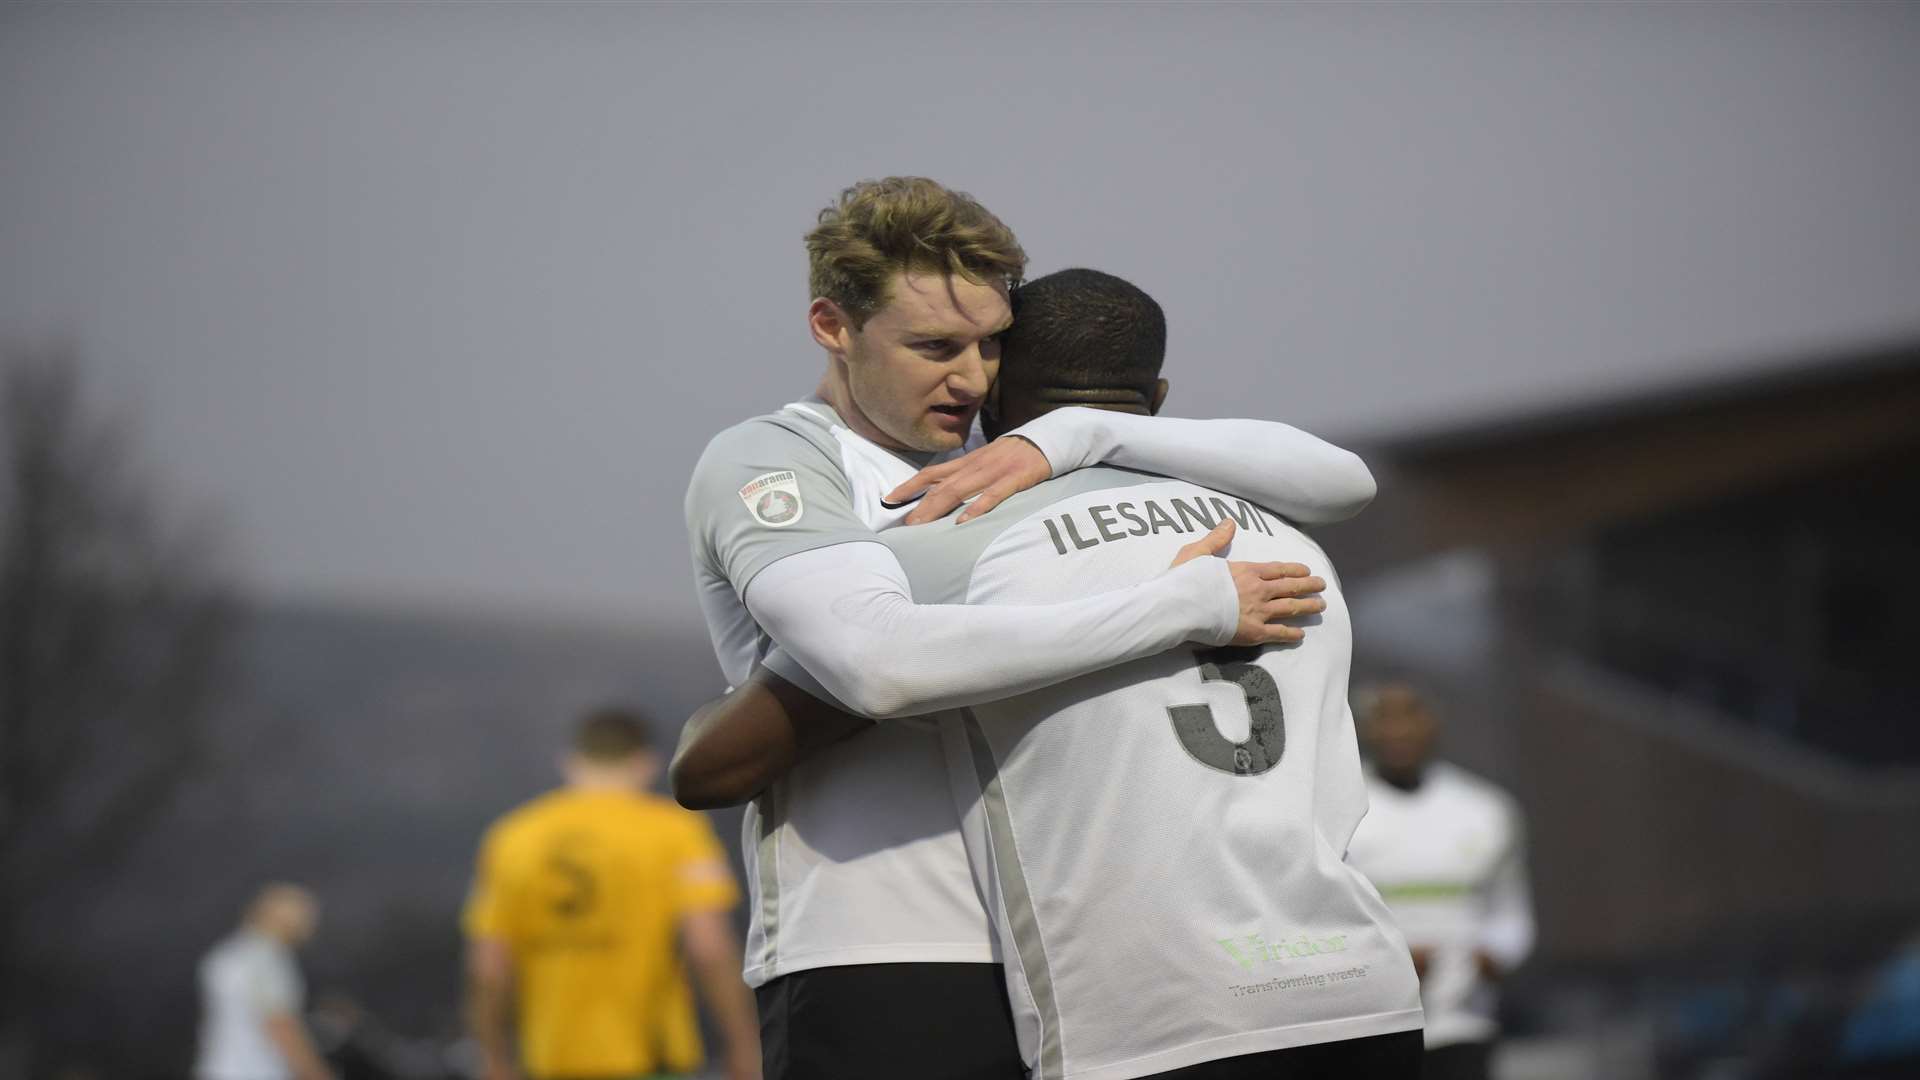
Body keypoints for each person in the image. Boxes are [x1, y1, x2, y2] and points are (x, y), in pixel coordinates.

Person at [682, 177, 1379, 1078]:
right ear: (833, 327)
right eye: (934, 346)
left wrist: (1076, 432)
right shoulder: (775, 459)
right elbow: (872, 665)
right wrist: (1172, 606)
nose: (970, 379)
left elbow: (1339, 481)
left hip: (1054, 945)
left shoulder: (1004, 458)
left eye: (989, 347)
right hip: (879, 937)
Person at [462, 707, 758, 1080]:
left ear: (570, 762)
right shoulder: (675, 832)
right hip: (650, 1057)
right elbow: (708, 946)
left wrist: (493, 1059)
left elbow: (489, 965)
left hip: (547, 1058)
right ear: (646, 763)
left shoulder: (512, 838)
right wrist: (745, 1044)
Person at [1344, 682, 1536, 1080]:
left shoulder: (1484, 810)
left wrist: (1494, 956)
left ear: (1433, 723)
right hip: (1373, 1027)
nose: (1398, 730)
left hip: (1464, 1022)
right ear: (1365, 728)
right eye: (1385, 717)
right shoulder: (1341, 810)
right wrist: (1390, 963)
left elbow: (1511, 915)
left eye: (1410, 715)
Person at [194, 883, 335, 1080]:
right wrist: (317, 1075)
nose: (310, 926)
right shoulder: (268, 961)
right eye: (305, 916)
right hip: (257, 1071)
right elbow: (281, 1027)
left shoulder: (225, 954)